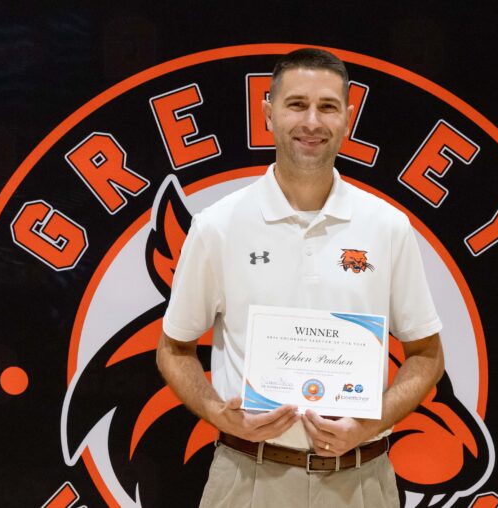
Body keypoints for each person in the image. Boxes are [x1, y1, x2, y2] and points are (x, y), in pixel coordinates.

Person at [156, 48, 445, 508]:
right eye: (296, 104)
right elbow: (174, 348)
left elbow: (427, 354)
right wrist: (218, 413)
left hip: (361, 480)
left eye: (328, 106)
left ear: (348, 119)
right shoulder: (218, 226)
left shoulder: (388, 227)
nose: (312, 121)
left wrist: (370, 423)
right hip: (248, 476)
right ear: (268, 113)